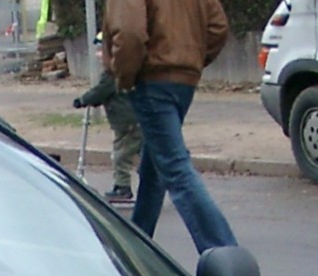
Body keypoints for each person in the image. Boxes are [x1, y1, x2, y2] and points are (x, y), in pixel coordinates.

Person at [101, 0, 238, 252]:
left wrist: (124, 75)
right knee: (155, 168)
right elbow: (217, 26)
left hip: (151, 78)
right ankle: (137, 246)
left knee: (175, 168)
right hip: (184, 79)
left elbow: (129, 32)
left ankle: (225, 254)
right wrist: (192, 59)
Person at [73, 59, 143, 205]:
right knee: (141, 153)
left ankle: (123, 188)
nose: (98, 55)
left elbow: (100, 91)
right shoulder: (123, 69)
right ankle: (128, 185)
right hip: (131, 120)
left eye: (101, 50)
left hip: (127, 122)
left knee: (121, 155)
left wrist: (82, 100)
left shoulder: (113, 73)